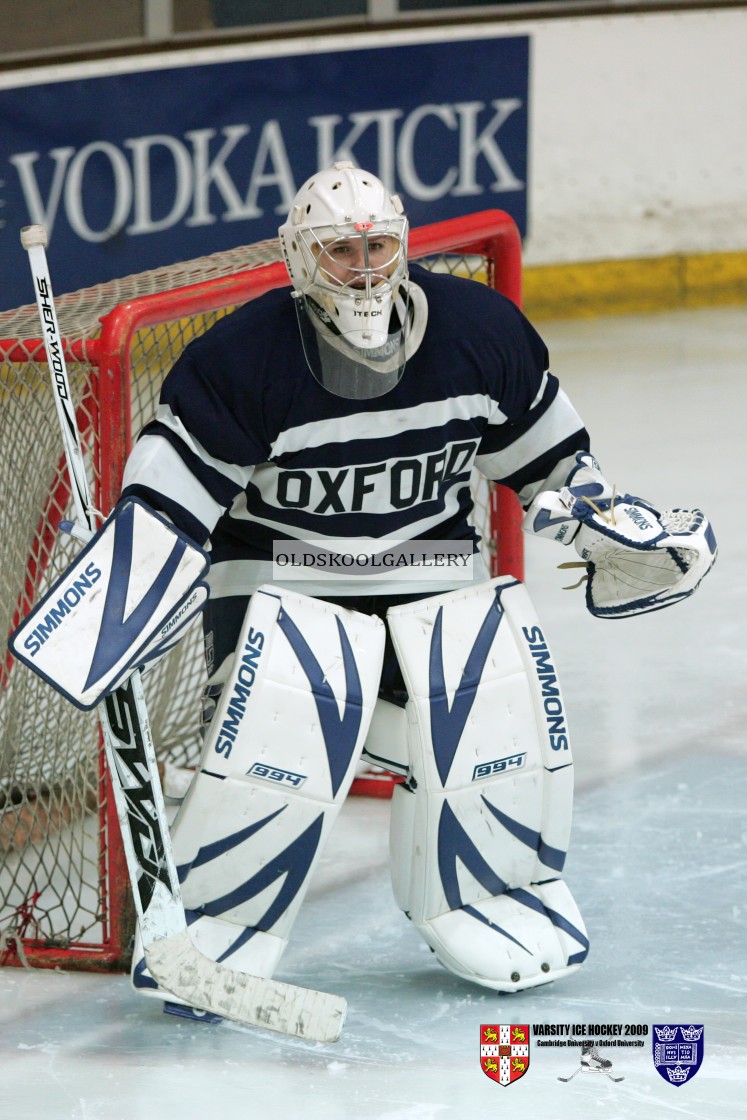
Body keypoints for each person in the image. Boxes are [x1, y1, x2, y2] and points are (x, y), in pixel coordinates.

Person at [118, 162, 715, 1014]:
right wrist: (138, 570)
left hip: (430, 574)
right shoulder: (240, 359)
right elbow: (174, 491)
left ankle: (490, 896)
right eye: (338, 252)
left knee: (492, 713)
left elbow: (553, 465)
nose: (362, 270)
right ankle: (216, 930)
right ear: (298, 256)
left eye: (376, 247)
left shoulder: (478, 333)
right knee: (285, 726)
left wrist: (598, 521)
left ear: (402, 244)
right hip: (283, 582)